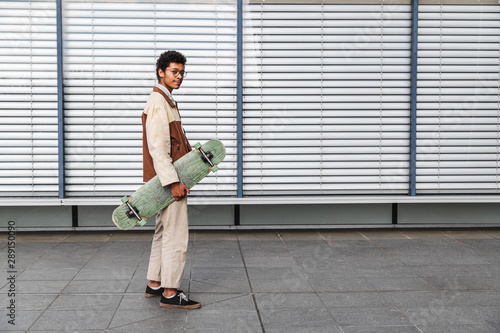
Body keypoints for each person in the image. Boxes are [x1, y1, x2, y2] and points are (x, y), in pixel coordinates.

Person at [142, 50, 200, 309]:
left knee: (163, 232)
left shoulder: (166, 101)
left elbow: (175, 144)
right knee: (176, 235)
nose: (179, 76)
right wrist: (174, 183)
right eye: (174, 72)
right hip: (168, 182)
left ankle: (155, 285)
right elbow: (159, 148)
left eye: (182, 72)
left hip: (165, 180)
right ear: (161, 72)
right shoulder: (158, 102)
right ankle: (170, 292)